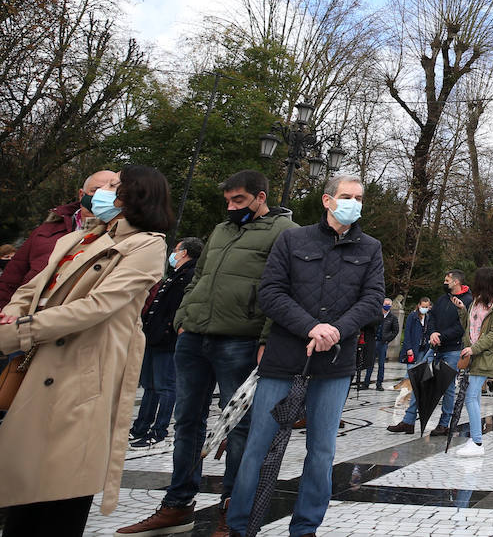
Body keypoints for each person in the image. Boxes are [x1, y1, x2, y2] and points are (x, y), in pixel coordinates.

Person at [118, 170, 295, 537]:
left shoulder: (284, 233)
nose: (231, 207)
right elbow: (200, 276)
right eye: (228, 201)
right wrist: (184, 315)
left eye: (239, 201)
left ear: (260, 197)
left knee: (238, 428)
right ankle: (177, 504)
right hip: (194, 336)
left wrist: (266, 337)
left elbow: (282, 288)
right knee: (186, 422)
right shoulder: (221, 229)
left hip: (240, 339)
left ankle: (232, 512)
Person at [0, 165, 170, 536]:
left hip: (82, 369)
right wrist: (10, 315)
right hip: (40, 362)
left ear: (137, 195)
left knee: (63, 482)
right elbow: (31, 289)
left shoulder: (148, 244)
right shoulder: (78, 239)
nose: (103, 193)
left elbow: (97, 307)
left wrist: (21, 331)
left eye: (114, 186)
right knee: (26, 484)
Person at [224, 174, 384, 537]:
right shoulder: (292, 238)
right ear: (327, 201)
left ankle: (306, 526)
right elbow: (271, 293)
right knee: (259, 445)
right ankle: (240, 524)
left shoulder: (370, 248)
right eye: (346, 196)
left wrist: (336, 331)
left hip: (335, 363)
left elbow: (373, 300)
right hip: (284, 357)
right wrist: (312, 327)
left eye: (359, 198)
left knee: (322, 450)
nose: (354, 203)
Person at [0, 168, 116, 307]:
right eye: (95, 190)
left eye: (109, 192)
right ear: (81, 194)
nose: (100, 196)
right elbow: (11, 279)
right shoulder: (46, 231)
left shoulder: (123, 236)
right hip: (26, 314)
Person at [130, 236, 206, 448]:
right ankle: (140, 427)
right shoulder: (176, 275)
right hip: (155, 338)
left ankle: (158, 430)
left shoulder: (189, 275)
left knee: (165, 387)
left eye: (176, 249)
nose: (173, 253)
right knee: (150, 386)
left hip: (168, 339)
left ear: (184, 252)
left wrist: (173, 329)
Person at [388, 271, 467, 436]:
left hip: (453, 349)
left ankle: (444, 423)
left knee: (449, 387)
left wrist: (441, 335)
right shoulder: (442, 298)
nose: (444, 282)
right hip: (435, 347)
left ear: (456, 282)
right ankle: (408, 421)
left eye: (447, 280)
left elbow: (462, 326)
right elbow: (432, 318)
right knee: (419, 381)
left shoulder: (466, 300)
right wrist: (432, 333)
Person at [452, 266, 493, 456]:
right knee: (473, 397)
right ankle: (475, 440)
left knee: (470, 396)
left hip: (484, 357)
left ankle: (476, 442)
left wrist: (474, 348)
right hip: (471, 356)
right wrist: (462, 310)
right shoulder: (475, 302)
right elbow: (469, 327)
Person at [367, 297, 401, 390]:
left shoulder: (392, 317)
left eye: (388, 305)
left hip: (383, 343)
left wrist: (387, 339)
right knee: (370, 363)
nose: (387, 306)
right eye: (385, 304)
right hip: (374, 341)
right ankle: (366, 383)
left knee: (381, 364)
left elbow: (395, 330)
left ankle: (379, 384)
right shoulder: (376, 315)